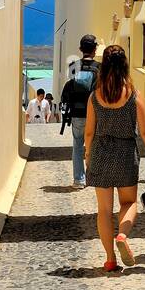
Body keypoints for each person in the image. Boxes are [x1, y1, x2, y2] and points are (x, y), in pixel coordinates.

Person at [85, 44, 145, 272]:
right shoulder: (133, 96)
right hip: (126, 154)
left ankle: (110, 259)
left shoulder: (95, 97)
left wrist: (88, 155)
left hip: (100, 152)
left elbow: (89, 132)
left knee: (104, 210)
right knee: (128, 203)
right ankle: (122, 235)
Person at [59, 34, 99, 188]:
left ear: (81, 49)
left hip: (76, 113)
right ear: (94, 49)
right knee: (94, 146)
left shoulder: (73, 66)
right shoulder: (99, 68)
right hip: (94, 113)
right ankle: (93, 177)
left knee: (77, 145)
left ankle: (79, 180)